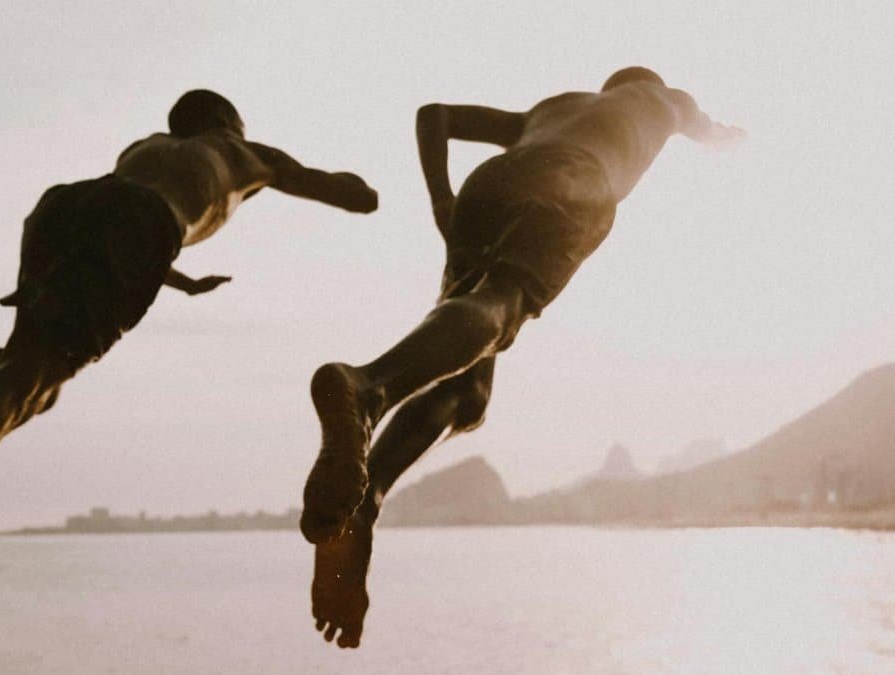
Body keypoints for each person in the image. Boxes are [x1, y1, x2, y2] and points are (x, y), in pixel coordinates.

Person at [0, 89, 378, 674]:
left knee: (26, 384)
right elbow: (354, 199)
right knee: (29, 385)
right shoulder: (246, 152)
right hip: (142, 226)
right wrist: (347, 185)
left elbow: (120, 209)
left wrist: (180, 282)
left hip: (64, 209)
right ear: (228, 122)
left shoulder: (148, 148)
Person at [300, 67, 743, 648]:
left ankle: (367, 497)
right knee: (500, 308)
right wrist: (729, 135)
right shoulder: (661, 97)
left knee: (466, 392)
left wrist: (444, 200)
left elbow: (434, 114)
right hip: (577, 181)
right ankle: (368, 388)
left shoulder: (549, 109)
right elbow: (706, 127)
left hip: (489, 184)